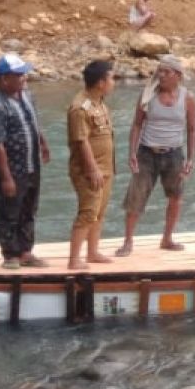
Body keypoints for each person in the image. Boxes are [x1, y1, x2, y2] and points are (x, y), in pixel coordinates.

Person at [116, 54, 195, 257]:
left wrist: (190, 158)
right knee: (136, 198)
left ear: (177, 75)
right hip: (146, 153)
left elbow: (192, 129)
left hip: (174, 154)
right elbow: (136, 124)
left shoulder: (187, 98)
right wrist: (132, 153)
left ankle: (167, 239)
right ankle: (128, 242)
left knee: (176, 196)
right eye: (159, 71)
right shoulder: (147, 95)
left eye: (166, 72)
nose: (161, 75)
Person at [0, 55, 52, 270]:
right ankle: (10, 254)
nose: (24, 78)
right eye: (19, 75)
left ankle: (26, 251)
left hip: (31, 164)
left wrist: (42, 142)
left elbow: (34, 120)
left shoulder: (27, 95)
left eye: (23, 73)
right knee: (9, 210)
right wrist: (6, 177)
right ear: (4, 79)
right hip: (11, 168)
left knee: (29, 208)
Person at [67, 60, 117, 270]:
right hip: (90, 171)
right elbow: (81, 140)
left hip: (105, 168)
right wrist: (92, 169)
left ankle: (92, 252)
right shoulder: (80, 107)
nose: (114, 82)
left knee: (99, 211)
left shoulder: (99, 102)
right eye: (111, 78)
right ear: (100, 83)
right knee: (88, 212)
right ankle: (74, 259)